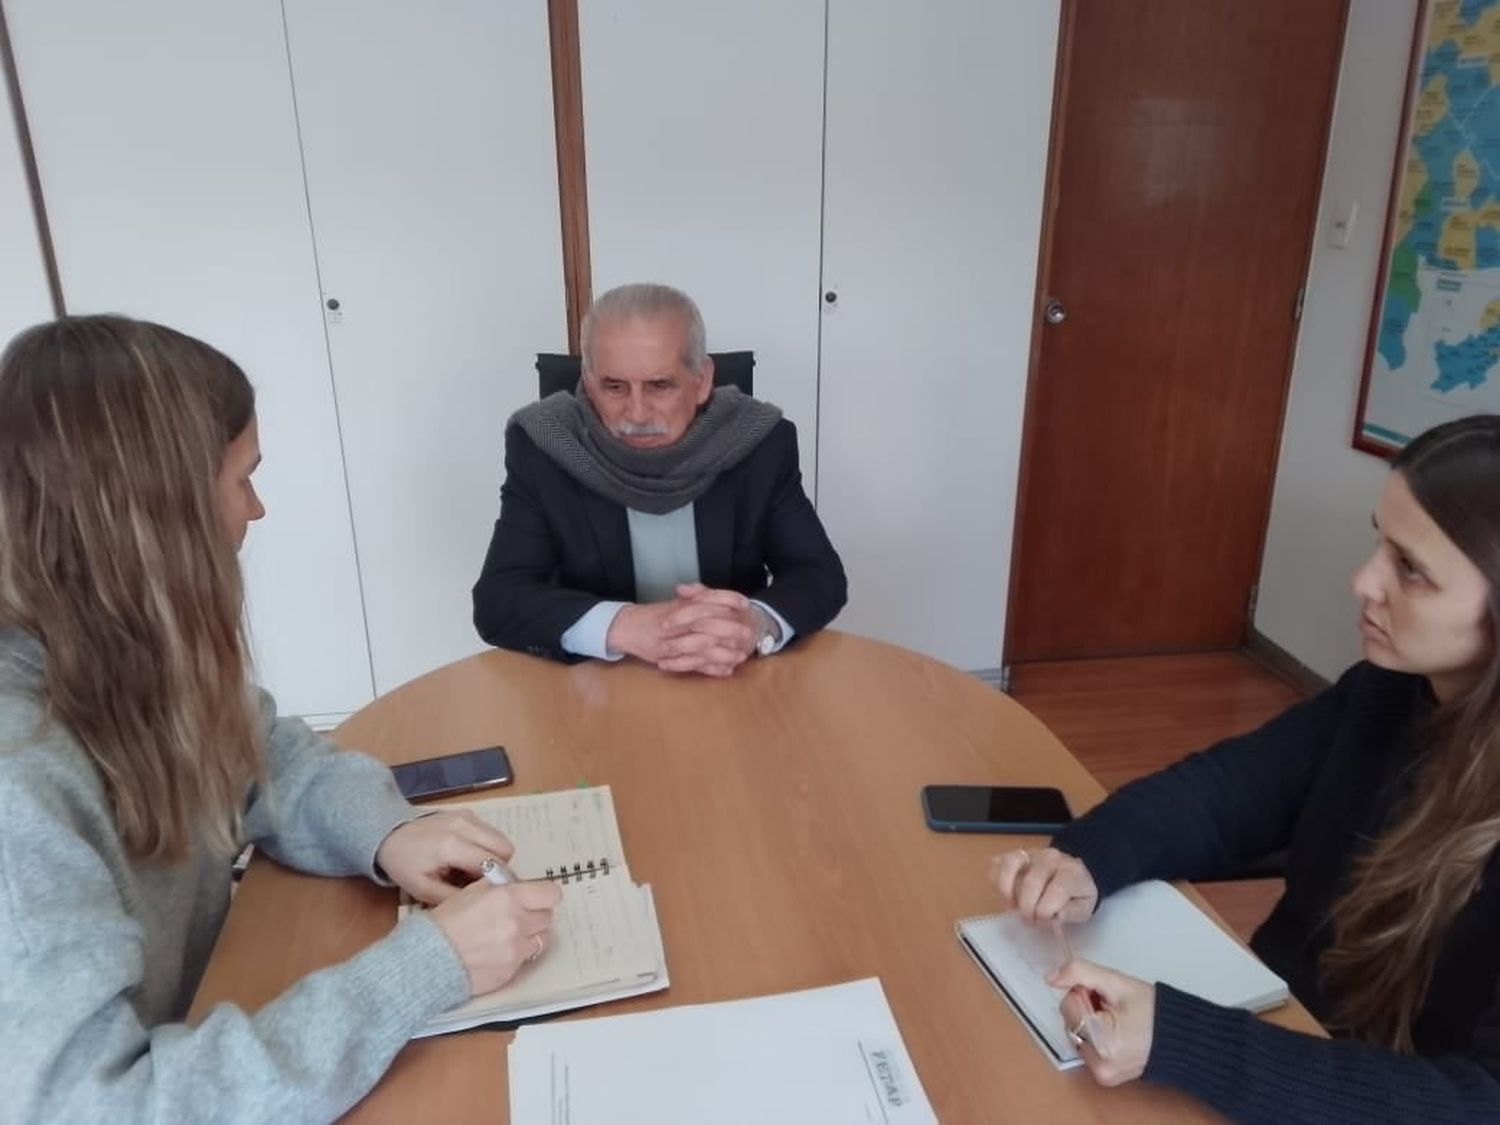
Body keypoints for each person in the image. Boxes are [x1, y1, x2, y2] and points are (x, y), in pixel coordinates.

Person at [0, 316, 561, 1120]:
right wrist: (426, 967)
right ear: (159, 516)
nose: (255, 510)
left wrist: (388, 832)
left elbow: (265, 752)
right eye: (241, 479)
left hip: (206, 1014)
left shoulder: (119, 649)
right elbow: (105, 1107)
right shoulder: (18, 780)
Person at [990, 414, 1500, 1121]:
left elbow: (1477, 1103)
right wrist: (1089, 860)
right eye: (1379, 541)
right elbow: (1228, 792)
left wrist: (1183, 1041)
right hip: (1280, 1044)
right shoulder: (1385, 694)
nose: (1364, 580)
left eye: (1410, 569)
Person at [472, 282, 846, 676]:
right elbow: (499, 598)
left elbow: (818, 574)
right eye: (614, 387)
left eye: (660, 386)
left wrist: (755, 623)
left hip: (727, 676)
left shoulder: (760, 443)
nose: (636, 413)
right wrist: (624, 625)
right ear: (587, 380)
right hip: (595, 684)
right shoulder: (544, 445)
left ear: (701, 381)